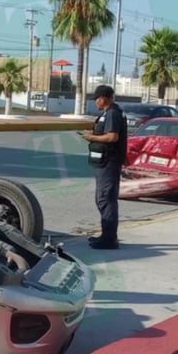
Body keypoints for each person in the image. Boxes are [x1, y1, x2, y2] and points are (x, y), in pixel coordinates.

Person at [80, 84, 127, 249]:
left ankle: (109, 240)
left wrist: (91, 137)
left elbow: (113, 137)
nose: (95, 102)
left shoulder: (113, 113)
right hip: (104, 162)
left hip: (109, 162)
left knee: (106, 198)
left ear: (104, 98)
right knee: (103, 199)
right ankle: (106, 235)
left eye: (96, 99)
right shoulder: (108, 113)